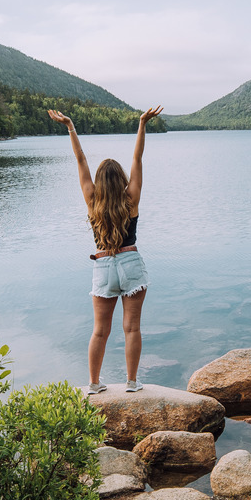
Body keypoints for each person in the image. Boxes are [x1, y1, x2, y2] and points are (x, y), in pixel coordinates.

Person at [47, 105, 163, 393]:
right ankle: (132, 382)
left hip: (103, 266)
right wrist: (141, 124)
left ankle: (95, 384)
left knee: (100, 331)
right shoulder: (131, 199)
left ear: (99, 182)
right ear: (121, 179)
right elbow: (137, 157)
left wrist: (70, 126)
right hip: (131, 263)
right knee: (132, 328)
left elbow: (80, 159)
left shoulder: (91, 200)